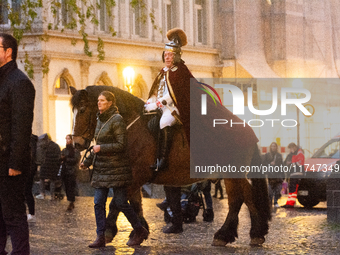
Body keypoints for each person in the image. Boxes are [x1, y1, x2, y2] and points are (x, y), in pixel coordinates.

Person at [81, 91, 148, 248]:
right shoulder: (99, 119)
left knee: (121, 202)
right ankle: (101, 236)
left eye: (102, 100)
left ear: (110, 103)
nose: (99, 103)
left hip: (116, 168)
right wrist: (88, 161)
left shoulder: (117, 120)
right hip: (101, 169)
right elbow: (96, 146)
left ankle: (139, 229)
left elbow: (121, 144)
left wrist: (101, 148)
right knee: (98, 203)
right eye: (98, 100)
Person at [0, 33, 35, 255]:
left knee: (13, 216)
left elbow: (21, 128)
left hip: (9, 163)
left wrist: (15, 163)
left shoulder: (20, 82)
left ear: (8, 51)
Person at [35, 133, 61, 200]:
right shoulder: (56, 146)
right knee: (52, 180)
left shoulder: (43, 145)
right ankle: (52, 195)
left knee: (42, 179)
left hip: (44, 165)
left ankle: (42, 194)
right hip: (53, 166)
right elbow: (59, 156)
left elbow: (40, 154)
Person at [61, 134, 81, 212]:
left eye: (69, 139)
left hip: (72, 171)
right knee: (66, 187)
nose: (67, 140)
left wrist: (66, 159)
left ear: (72, 140)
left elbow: (75, 160)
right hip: (65, 171)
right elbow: (60, 157)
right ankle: (70, 200)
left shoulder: (75, 150)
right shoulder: (64, 150)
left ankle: (71, 202)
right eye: (66, 139)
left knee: (71, 187)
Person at [281, 143, 305, 208]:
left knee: (293, 190)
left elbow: (298, 164)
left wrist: (290, 164)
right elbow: (285, 163)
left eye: (291, 148)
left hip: (297, 174)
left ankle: (291, 203)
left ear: (294, 147)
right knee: (291, 190)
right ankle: (289, 203)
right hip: (293, 174)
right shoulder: (292, 154)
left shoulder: (299, 153)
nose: (290, 150)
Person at [263, 142, 284, 207]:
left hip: (278, 175)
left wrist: (283, 176)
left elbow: (282, 165)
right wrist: (270, 164)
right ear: (270, 147)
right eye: (272, 146)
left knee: (277, 189)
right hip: (270, 175)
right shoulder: (267, 155)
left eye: (274, 146)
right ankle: (270, 202)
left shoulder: (279, 155)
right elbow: (264, 163)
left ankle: (275, 202)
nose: (273, 147)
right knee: (270, 190)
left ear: (276, 147)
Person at [25, 134, 38, 222]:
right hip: (30, 170)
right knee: (27, 192)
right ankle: (31, 213)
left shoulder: (30, 141)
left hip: (28, 171)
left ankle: (31, 213)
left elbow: (31, 156)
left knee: (27, 191)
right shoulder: (33, 140)